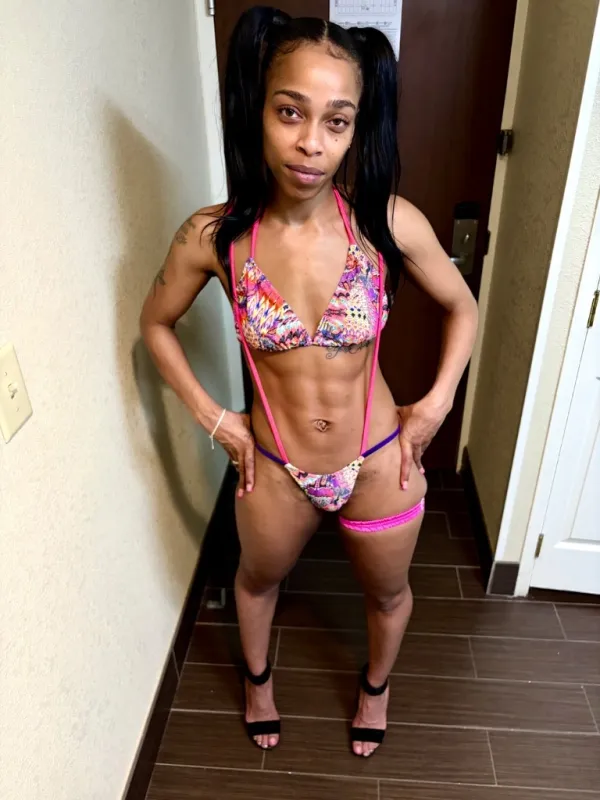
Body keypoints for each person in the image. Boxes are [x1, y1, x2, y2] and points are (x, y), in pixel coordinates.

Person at [140, 6, 478, 758]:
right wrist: (216, 420)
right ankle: (258, 683)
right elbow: (154, 325)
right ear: (258, 109)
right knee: (256, 584)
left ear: (356, 131)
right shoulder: (215, 236)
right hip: (275, 466)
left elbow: (463, 306)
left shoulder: (386, 223)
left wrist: (436, 404)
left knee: (388, 593)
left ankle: (375, 688)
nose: (311, 143)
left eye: (337, 121)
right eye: (290, 112)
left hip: (380, 460)